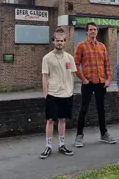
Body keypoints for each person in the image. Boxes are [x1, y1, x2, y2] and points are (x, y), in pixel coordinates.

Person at [74, 22, 117, 147]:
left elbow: (107, 64)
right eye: (90, 30)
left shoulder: (102, 46)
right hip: (88, 83)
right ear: (87, 32)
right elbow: (75, 65)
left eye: (95, 29)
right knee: (84, 109)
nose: (93, 31)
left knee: (101, 109)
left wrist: (108, 79)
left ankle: (104, 134)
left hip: (100, 83)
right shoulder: (81, 46)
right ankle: (79, 136)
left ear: (97, 31)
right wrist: (83, 79)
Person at [40, 28, 76, 159]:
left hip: (66, 94)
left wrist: (71, 90)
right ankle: (48, 146)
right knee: (50, 120)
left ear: (65, 42)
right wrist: (46, 94)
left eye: (62, 40)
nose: (59, 43)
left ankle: (62, 144)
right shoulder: (47, 58)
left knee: (62, 120)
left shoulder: (69, 58)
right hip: (52, 94)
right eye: (57, 40)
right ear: (53, 41)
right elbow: (45, 76)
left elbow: (72, 75)